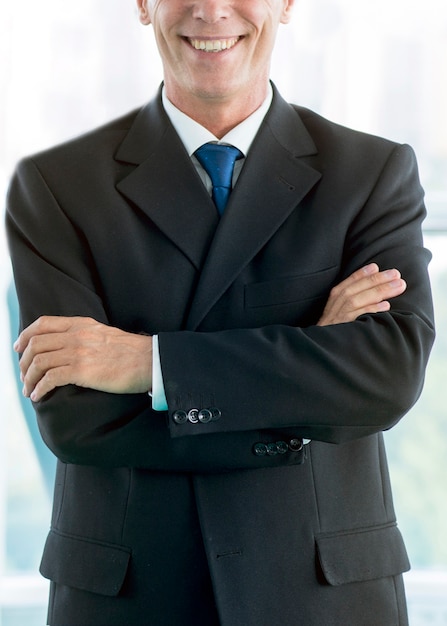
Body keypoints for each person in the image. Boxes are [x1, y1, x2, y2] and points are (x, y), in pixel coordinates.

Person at [6, 0, 435, 624]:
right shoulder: (56, 187)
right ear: (144, 4)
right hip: (131, 600)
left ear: (286, 4)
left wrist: (147, 364)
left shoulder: (370, 175)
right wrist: (311, 368)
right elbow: (78, 421)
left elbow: (386, 377)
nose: (211, 10)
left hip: (323, 599)